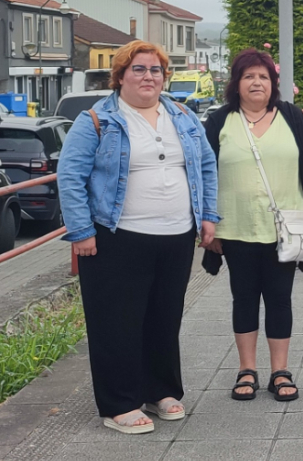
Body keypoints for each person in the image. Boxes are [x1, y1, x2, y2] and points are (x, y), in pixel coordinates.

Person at [57, 40, 218, 434]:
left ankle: (160, 390)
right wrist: (81, 231)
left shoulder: (182, 115)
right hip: (116, 237)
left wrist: (209, 216)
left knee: (164, 317)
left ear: (165, 77)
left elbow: (208, 166)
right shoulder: (96, 120)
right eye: (139, 69)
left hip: (176, 235)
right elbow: (70, 176)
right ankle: (119, 404)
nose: (149, 77)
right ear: (121, 76)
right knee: (117, 321)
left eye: (156, 70)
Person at [202, 48, 303, 402]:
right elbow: (204, 174)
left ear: (273, 83)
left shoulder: (291, 117)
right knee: (243, 298)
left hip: (283, 229)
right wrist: (206, 222)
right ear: (236, 84)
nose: (256, 82)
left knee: (279, 299)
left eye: (263, 76)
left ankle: (279, 371)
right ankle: (247, 370)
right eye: (248, 76)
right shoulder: (220, 121)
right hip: (235, 227)